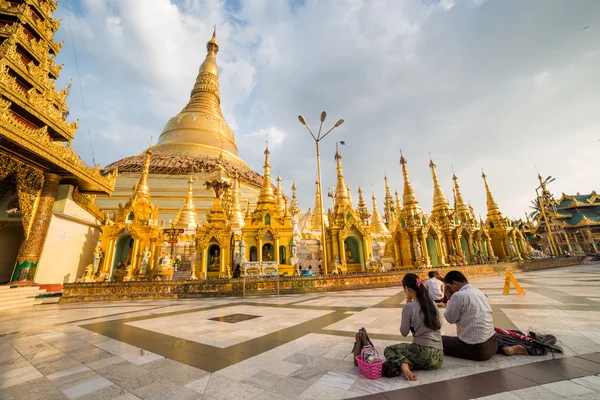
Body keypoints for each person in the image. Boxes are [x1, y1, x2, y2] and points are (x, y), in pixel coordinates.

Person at [442, 271, 526, 361]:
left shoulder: (458, 296)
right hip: (492, 343)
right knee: (461, 337)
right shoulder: (479, 292)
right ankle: (504, 348)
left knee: (439, 340)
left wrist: (448, 296)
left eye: (449, 287)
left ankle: (504, 348)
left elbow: (450, 319)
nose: (450, 290)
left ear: (455, 283)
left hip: (477, 350)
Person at [383, 273, 443, 381]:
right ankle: (409, 364)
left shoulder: (409, 307)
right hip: (439, 357)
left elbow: (404, 332)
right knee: (410, 351)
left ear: (406, 288)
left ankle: (405, 369)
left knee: (389, 350)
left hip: (423, 354)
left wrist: (407, 311)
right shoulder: (432, 303)